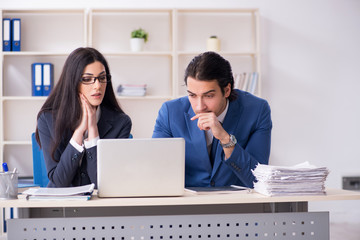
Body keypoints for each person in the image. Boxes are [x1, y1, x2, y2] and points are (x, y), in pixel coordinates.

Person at [152, 51, 272, 188]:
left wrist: (226, 139)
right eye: (192, 95)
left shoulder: (257, 110)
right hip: (185, 204)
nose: (199, 106)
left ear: (227, 90)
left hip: (237, 203)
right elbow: (155, 170)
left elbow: (258, 180)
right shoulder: (170, 113)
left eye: (209, 96)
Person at [35, 47, 132, 188]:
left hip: (100, 207)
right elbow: (60, 182)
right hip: (61, 206)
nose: (97, 86)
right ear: (73, 82)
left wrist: (93, 133)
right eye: (87, 79)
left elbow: (104, 184)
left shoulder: (121, 123)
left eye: (102, 78)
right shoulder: (48, 119)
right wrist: (79, 132)